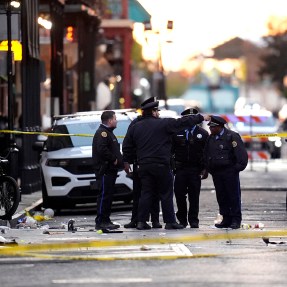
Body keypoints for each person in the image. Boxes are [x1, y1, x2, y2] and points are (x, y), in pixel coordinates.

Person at [123, 97, 210, 230]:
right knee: (165, 193)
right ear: (152, 112)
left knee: (146, 193)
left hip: (144, 165)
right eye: (156, 111)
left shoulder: (136, 127)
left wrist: (128, 161)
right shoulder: (163, 124)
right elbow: (182, 122)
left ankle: (141, 222)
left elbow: (127, 145)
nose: (158, 113)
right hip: (161, 165)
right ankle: (170, 222)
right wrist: (201, 117)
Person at [204, 115, 248, 229]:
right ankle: (226, 218)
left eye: (213, 127)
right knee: (221, 196)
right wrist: (209, 168)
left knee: (233, 196)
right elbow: (207, 154)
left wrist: (236, 169)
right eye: (210, 127)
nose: (210, 129)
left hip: (230, 172)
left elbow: (241, 155)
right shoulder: (211, 138)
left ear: (219, 126)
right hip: (217, 173)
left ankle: (236, 219)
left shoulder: (232, 136)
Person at [123, 98, 161, 229]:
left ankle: (155, 220)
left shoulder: (157, 123)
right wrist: (127, 160)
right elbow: (128, 144)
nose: (157, 113)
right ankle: (136, 219)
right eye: (156, 110)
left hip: (149, 163)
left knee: (154, 192)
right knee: (138, 193)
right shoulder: (136, 123)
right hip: (139, 162)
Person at [171, 108, 209, 228]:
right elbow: (171, 151)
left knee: (194, 196)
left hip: (195, 169)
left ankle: (194, 220)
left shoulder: (203, 133)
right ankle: (182, 219)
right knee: (179, 195)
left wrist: (205, 168)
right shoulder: (176, 133)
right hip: (180, 169)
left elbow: (206, 153)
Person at [92, 110, 124, 230]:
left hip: (110, 170)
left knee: (108, 195)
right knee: (105, 195)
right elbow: (102, 150)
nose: (117, 121)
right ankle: (101, 221)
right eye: (115, 119)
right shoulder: (103, 133)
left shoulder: (108, 132)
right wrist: (114, 159)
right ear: (110, 120)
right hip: (105, 169)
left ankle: (106, 219)